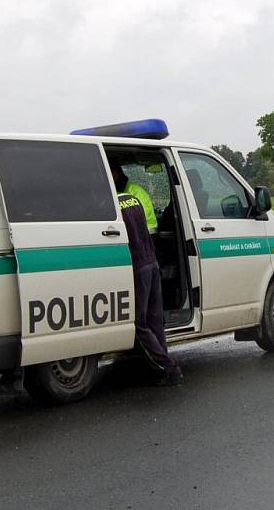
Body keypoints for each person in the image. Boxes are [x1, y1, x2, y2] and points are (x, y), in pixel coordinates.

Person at [118, 191, 183, 386]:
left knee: (139, 323)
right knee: (155, 320)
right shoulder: (133, 200)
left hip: (138, 267)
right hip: (152, 263)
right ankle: (168, 373)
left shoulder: (114, 205)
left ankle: (168, 367)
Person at [110, 162, 157, 233]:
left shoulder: (136, 192)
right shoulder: (114, 191)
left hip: (146, 234)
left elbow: (138, 218)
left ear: (115, 175)